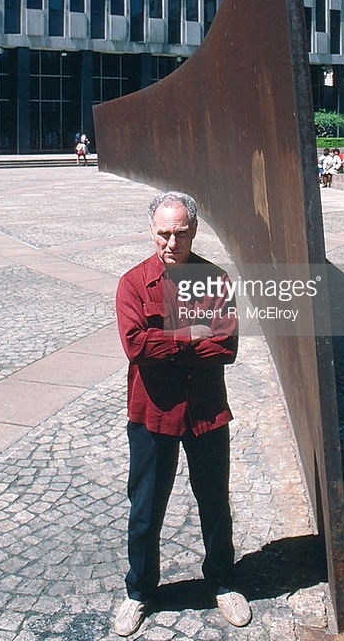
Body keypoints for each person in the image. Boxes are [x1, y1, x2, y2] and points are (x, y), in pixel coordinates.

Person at [113, 191, 251, 637]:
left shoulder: (215, 280)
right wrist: (192, 334)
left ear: (194, 230)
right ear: (151, 231)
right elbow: (134, 345)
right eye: (163, 234)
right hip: (152, 414)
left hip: (206, 413)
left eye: (180, 233)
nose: (171, 243)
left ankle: (224, 582)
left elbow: (226, 347)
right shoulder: (133, 283)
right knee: (146, 510)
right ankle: (139, 592)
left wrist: (167, 344)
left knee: (214, 503)